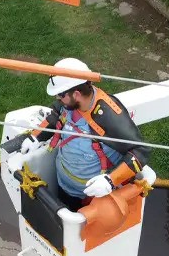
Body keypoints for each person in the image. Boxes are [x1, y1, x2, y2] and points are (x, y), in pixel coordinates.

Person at [16, 57, 156, 211]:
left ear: (76, 94)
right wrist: (36, 136)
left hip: (92, 195)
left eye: (61, 95)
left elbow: (140, 151)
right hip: (64, 184)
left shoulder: (108, 116)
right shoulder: (68, 104)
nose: (57, 98)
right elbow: (56, 113)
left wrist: (110, 180)